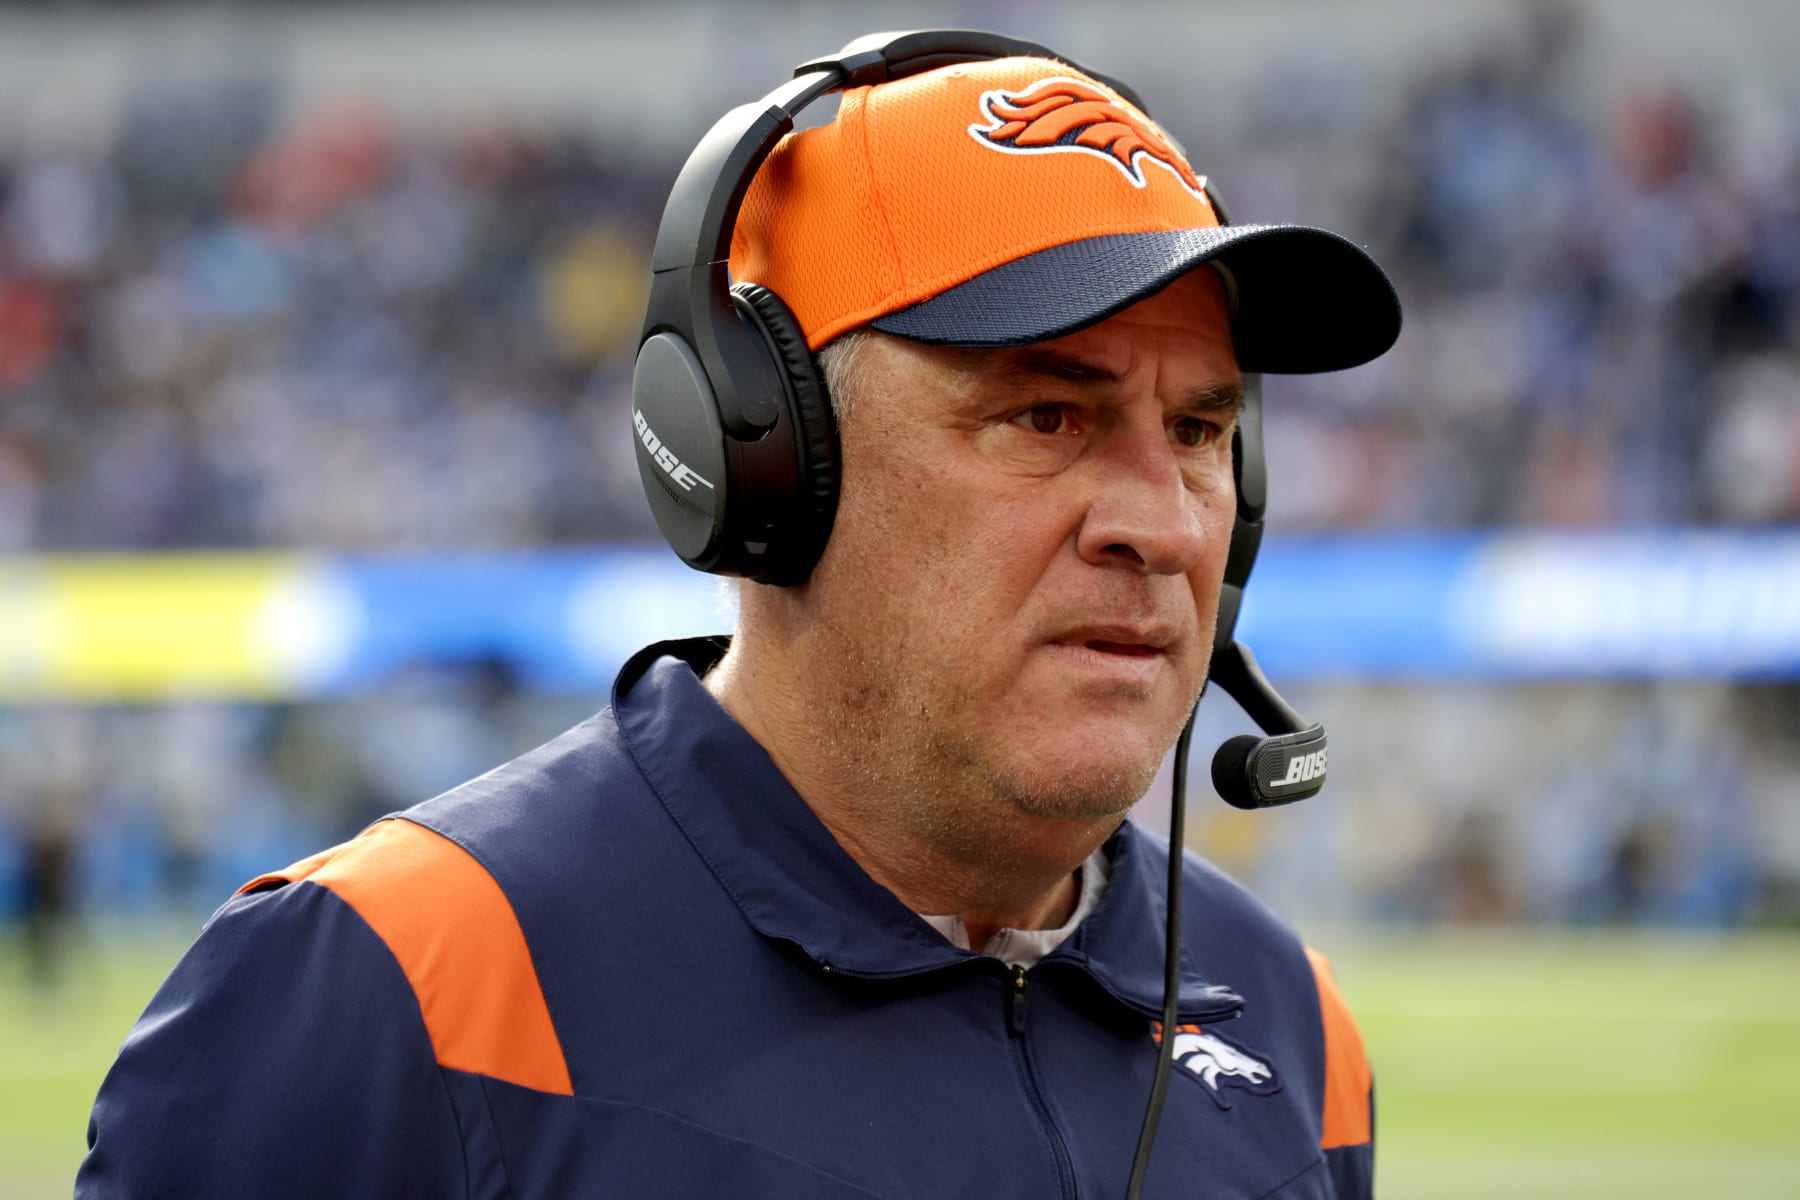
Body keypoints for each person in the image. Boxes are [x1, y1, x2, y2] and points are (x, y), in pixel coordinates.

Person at [79, 36, 1400, 1199]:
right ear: (764, 458)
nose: (1165, 525)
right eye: (1046, 416)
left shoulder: (1300, 1032)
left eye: (1200, 433)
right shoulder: (393, 988)